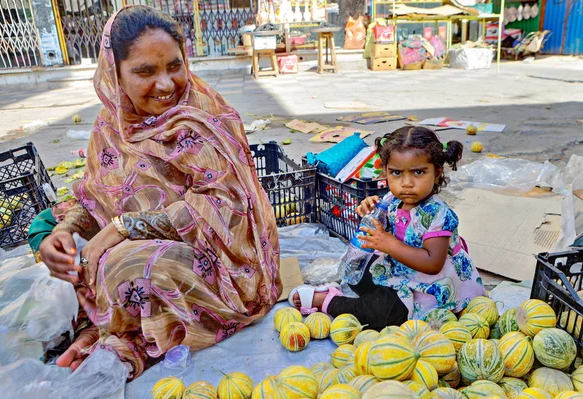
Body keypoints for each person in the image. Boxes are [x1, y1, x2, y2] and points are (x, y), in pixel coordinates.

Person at [29, 5, 281, 380]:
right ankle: (106, 328)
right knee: (59, 270)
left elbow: (224, 205)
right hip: (136, 252)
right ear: (114, 74)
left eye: (174, 66)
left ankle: (130, 338)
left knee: (131, 265)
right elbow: (94, 198)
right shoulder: (109, 126)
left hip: (222, 268)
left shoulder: (204, 118)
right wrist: (63, 231)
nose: (165, 85)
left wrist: (125, 226)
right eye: (145, 71)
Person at [289, 126, 486, 330]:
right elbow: (380, 228)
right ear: (385, 172)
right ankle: (366, 296)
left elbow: (433, 263)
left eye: (418, 172)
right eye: (396, 173)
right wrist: (369, 210)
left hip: (432, 286)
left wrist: (390, 244)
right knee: (359, 274)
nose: (407, 183)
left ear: (436, 173)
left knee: (384, 313)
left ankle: (331, 302)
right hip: (403, 271)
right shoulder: (393, 199)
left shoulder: (438, 214)